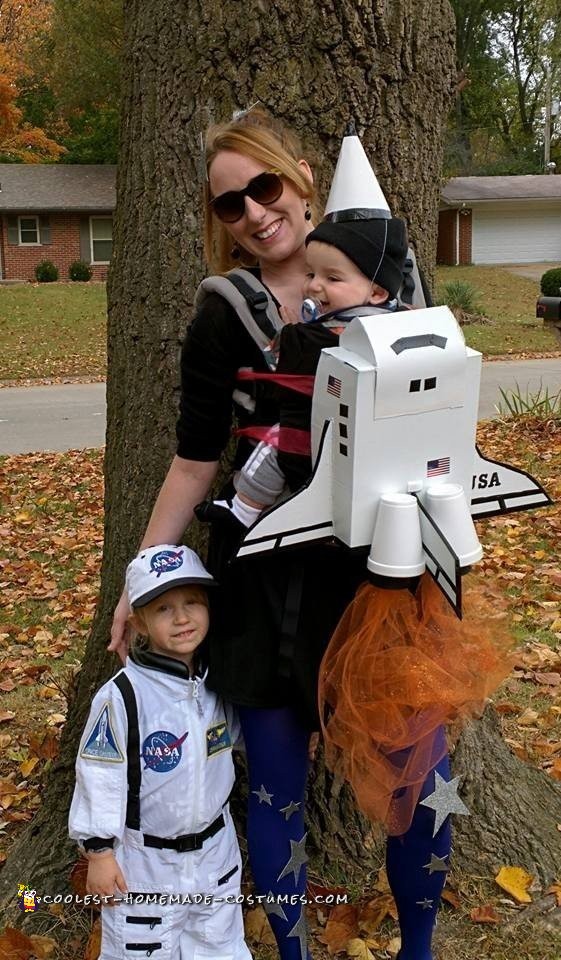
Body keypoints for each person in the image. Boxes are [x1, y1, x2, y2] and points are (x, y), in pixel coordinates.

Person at [109, 110, 455, 960]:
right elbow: (195, 463)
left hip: (385, 578)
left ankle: (418, 948)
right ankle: (293, 951)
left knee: (423, 778)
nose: (256, 213)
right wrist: (141, 573)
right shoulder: (225, 311)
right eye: (231, 204)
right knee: (273, 789)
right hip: (265, 585)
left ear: (302, 178)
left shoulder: (392, 278)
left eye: (265, 186)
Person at [70, 544, 251, 960]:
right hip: (144, 865)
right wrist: (98, 854)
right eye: (164, 609)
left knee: (220, 946)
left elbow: (246, 735)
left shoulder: (219, 681)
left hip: (215, 855)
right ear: (139, 624)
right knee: (140, 952)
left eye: (192, 602)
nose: (183, 617)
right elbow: (99, 776)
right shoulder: (123, 697)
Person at [202, 215, 408, 527]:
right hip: (382, 446)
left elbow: (289, 359)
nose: (313, 286)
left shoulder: (333, 329)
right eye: (311, 273)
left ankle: (244, 505)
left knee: (273, 443)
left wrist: (292, 330)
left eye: (333, 279)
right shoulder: (399, 323)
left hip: (315, 436)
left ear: (377, 293)